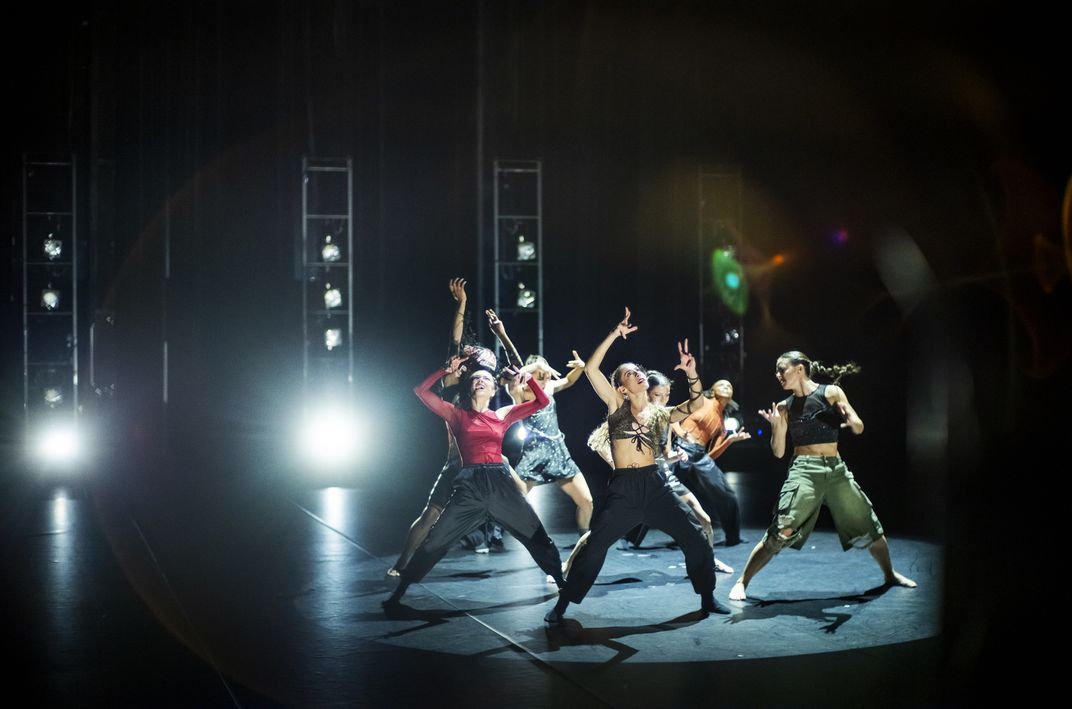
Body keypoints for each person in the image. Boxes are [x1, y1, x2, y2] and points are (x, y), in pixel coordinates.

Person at [545, 308, 729, 625]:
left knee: (696, 536)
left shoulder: (660, 413)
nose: (638, 374)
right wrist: (615, 334)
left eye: (639, 371)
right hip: (624, 490)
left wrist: (691, 373)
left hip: (656, 485)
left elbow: (697, 405)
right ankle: (563, 604)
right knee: (594, 547)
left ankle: (707, 596)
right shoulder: (616, 407)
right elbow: (591, 368)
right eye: (630, 374)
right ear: (621, 388)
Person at [728, 351, 917, 601]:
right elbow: (778, 452)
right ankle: (742, 582)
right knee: (782, 529)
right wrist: (776, 427)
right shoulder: (785, 407)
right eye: (776, 371)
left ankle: (889, 575)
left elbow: (859, 426)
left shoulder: (831, 393)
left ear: (799, 369)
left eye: (781, 369)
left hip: (836, 469)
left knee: (870, 526)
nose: (778, 375)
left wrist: (851, 420)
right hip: (804, 471)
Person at [384, 354, 564, 612]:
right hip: (469, 486)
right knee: (435, 541)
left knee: (536, 534)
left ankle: (560, 579)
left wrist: (530, 382)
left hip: (499, 483)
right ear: (469, 387)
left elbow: (542, 401)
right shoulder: (456, 414)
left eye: (486, 379)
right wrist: (443, 370)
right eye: (476, 378)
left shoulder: (502, 414)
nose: (480, 380)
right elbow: (420, 391)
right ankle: (398, 593)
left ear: (493, 390)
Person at [670, 379, 748, 547]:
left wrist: (729, 441)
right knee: (658, 488)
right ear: (712, 390)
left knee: (727, 493)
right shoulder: (701, 401)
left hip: (700, 456)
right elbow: (673, 416)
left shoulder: (721, 422)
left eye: (730, 385)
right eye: (722, 384)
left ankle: (733, 537)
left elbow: (711, 455)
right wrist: (682, 433)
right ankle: (629, 537)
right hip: (681, 448)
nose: (727, 386)